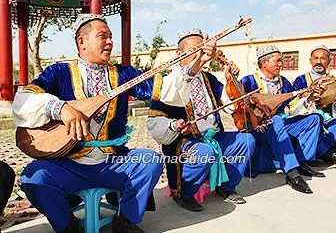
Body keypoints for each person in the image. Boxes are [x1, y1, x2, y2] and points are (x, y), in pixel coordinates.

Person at [12, 13, 163, 233]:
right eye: (103, 36)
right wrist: (60, 108)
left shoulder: (124, 74)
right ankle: (67, 225)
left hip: (113, 161)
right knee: (33, 176)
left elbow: (162, 90)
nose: (111, 42)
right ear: (81, 41)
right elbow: (22, 101)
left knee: (150, 160)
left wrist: (191, 70)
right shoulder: (59, 72)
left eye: (111, 36)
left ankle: (126, 220)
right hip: (69, 164)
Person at [147, 28, 257, 212]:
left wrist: (231, 80)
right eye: (194, 51)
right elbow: (155, 122)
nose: (200, 55)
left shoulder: (209, 78)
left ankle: (226, 187)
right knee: (204, 151)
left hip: (213, 136)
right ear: (179, 53)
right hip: (184, 142)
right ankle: (184, 193)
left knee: (247, 140)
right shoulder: (169, 81)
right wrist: (174, 125)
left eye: (203, 50)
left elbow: (229, 106)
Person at [240, 45, 325, 194]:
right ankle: (292, 172)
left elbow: (292, 108)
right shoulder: (249, 81)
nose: (281, 64)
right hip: (258, 129)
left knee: (314, 119)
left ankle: (300, 161)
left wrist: (308, 96)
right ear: (264, 62)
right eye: (277, 61)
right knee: (277, 121)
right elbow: (238, 106)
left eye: (282, 61)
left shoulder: (283, 82)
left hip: (279, 126)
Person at [293, 45, 336, 167]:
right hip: (308, 123)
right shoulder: (301, 80)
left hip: (328, 123)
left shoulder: (334, 81)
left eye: (323, 59)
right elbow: (293, 109)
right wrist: (309, 98)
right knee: (313, 129)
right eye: (316, 58)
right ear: (310, 61)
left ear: (329, 61)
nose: (319, 62)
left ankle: (319, 150)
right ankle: (328, 152)